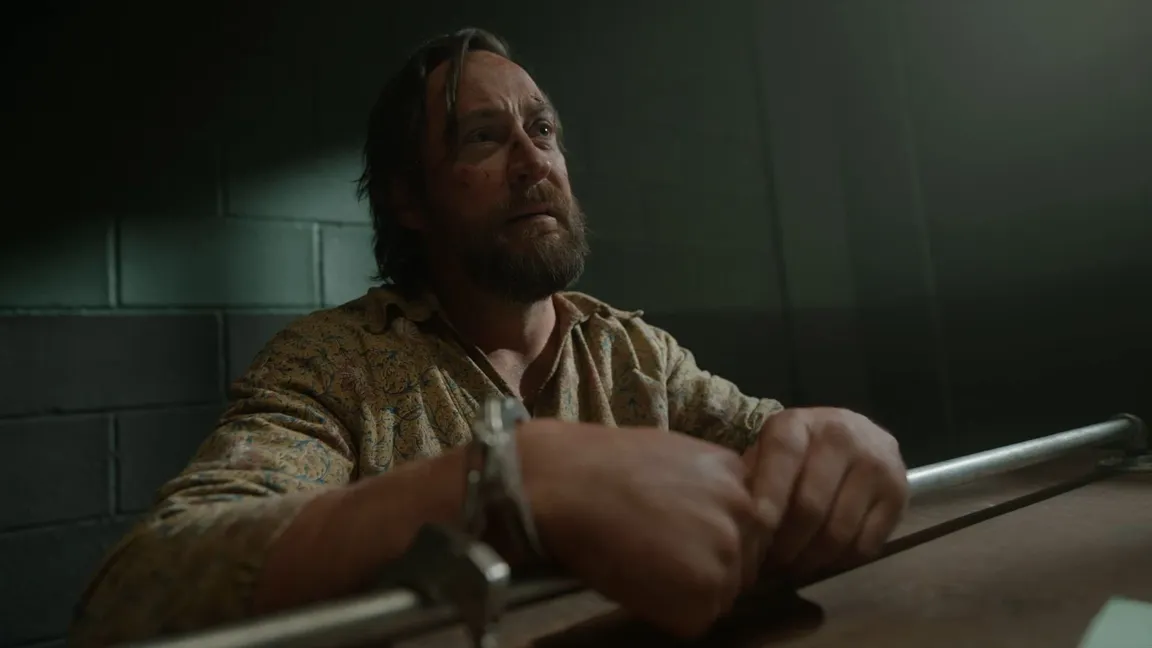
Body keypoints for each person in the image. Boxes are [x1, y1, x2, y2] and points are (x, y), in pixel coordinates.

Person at [70, 27, 908, 646]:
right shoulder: (335, 364)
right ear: (408, 199)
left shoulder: (632, 355)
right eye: (482, 137)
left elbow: (780, 448)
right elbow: (136, 593)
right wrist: (507, 482)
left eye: (543, 131)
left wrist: (840, 444)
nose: (532, 161)